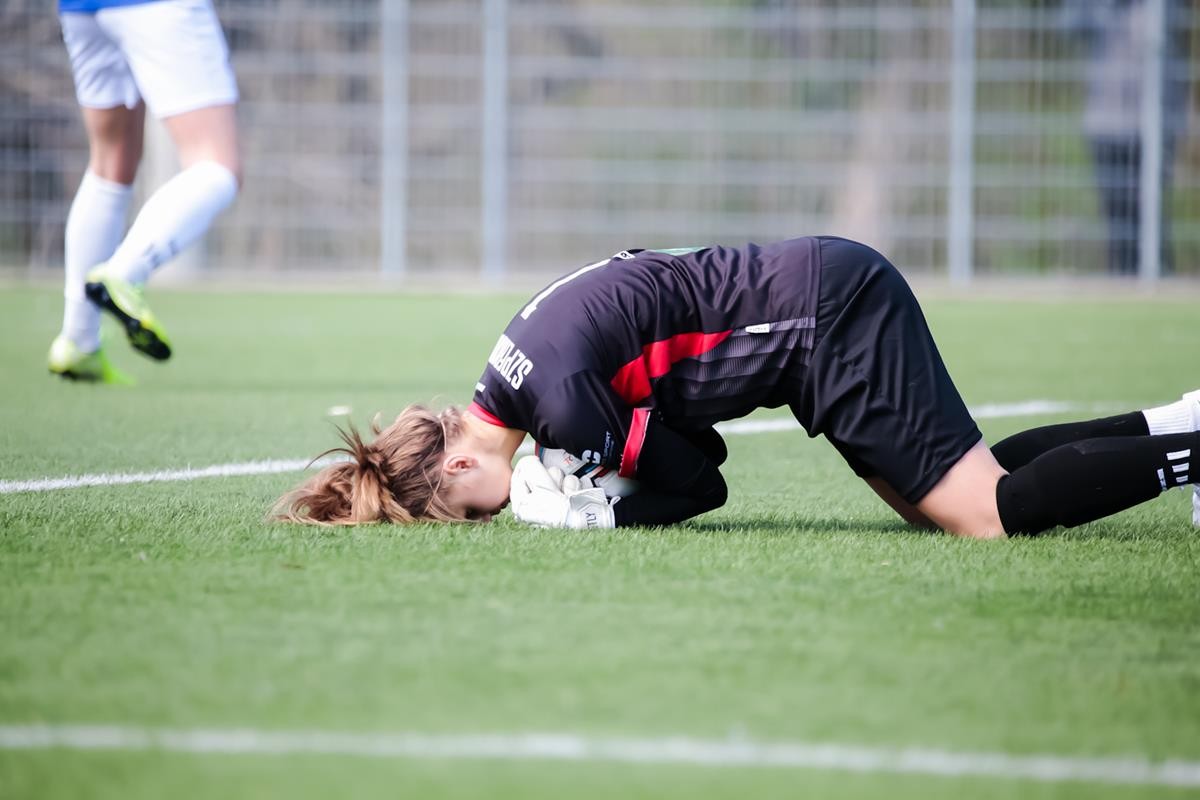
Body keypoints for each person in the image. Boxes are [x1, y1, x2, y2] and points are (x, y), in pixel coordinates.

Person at [275, 237, 1200, 537]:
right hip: (816, 314)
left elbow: (704, 483)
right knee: (950, 501)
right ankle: (1177, 421)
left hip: (824, 322)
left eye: (470, 512)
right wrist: (600, 472)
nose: (489, 517)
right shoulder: (516, 374)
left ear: (456, 465)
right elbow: (695, 441)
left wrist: (601, 514)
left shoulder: (558, 405)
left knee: (988, 516)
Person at [48, 0, 242, 384]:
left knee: (111, 161)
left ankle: (79, 341)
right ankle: (126, 272)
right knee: (217, 164)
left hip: (80, 8)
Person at [1062, 0, 1188, 276]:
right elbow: (1071, 24)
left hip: (1154, 123)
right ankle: (1121, 278)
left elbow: (1175, 28)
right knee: (1116, 215)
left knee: (1151, 212)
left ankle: (1158, 277)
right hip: (1105, 122)